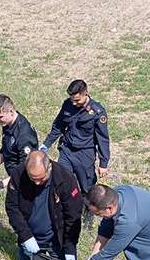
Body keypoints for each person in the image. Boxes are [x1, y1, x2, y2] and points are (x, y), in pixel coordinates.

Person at [5, 150, 83, 260]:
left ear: (49, 168)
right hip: (30, 238)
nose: (36, 183)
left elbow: (73, 216)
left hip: (57, 240)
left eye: (41, 179)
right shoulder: (19, 174)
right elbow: (12, 207)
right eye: (32, 179)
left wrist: (69, 247)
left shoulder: (65, 179)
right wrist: (25, 236)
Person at [42, 79, 110, 211]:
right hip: (67, 150)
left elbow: (103, 139)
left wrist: (103, 164)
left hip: (84, 153)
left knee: (87, 186)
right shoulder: (68, 104)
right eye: (72, 99)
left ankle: (90, 210)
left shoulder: (97, 112)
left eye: (77, 100)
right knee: (61, 180)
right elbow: (58, 126)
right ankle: (64, 209)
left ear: (86, 94)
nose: (74, 103)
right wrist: (45, 145)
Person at [0, 94, 40, 188]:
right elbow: (6, 150)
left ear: (11, 112)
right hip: (13, 178)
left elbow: (24, 168)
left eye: (0, 117)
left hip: (25, 183)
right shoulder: (7, 124)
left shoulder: (24, 135)